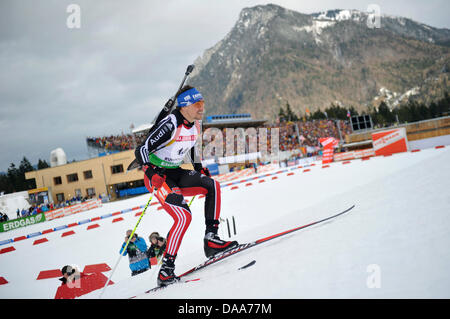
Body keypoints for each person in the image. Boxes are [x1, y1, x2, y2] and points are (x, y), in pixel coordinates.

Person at [134, 85, 238, 287]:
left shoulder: (196, 124)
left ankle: (211, 240)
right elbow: (142, 150)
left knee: (212, 186)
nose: (202, 107)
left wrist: (199, 168)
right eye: (197, 104)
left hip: (175, 171)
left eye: (203, 103)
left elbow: (191, 147)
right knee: (183, 216)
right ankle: (166, 270)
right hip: (158, 176)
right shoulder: (170, 124)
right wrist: (150, 172)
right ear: (184, 106)